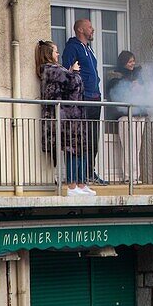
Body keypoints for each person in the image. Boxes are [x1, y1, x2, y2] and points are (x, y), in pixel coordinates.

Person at [36, 40, 94, 196]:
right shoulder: (49, 69)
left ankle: (82, 184)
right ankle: (72, 185)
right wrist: (74, 72)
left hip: (72, 114)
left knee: (80, 148)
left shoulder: (55, 69)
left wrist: (70, 73)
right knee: (72, 150)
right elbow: (73, 82)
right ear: (48, 53)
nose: (58, 54)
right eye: (55, 51)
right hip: (65, 116)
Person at [61, 18, 105, 185]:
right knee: (82, 138)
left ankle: (89, 172)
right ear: (80, 30)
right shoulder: (72, 48)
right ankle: (79, 176)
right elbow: (67, 71)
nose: (92, 29)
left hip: (95, 96)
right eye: (89, 27)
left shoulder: (89, 49)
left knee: (93, 137)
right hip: (83, 97)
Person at [105, 50, 146, 184]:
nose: (132, 63)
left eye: (133, 60)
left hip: (139, 114)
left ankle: (136, 176)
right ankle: (129, 176)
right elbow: (115, 95)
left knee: (137, 147)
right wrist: (130, 88)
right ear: (123, 62)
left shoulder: (138, 76)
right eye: (129, 61)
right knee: (129, 147)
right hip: (125, 116)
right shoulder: (115, 77)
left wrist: (141, 88)